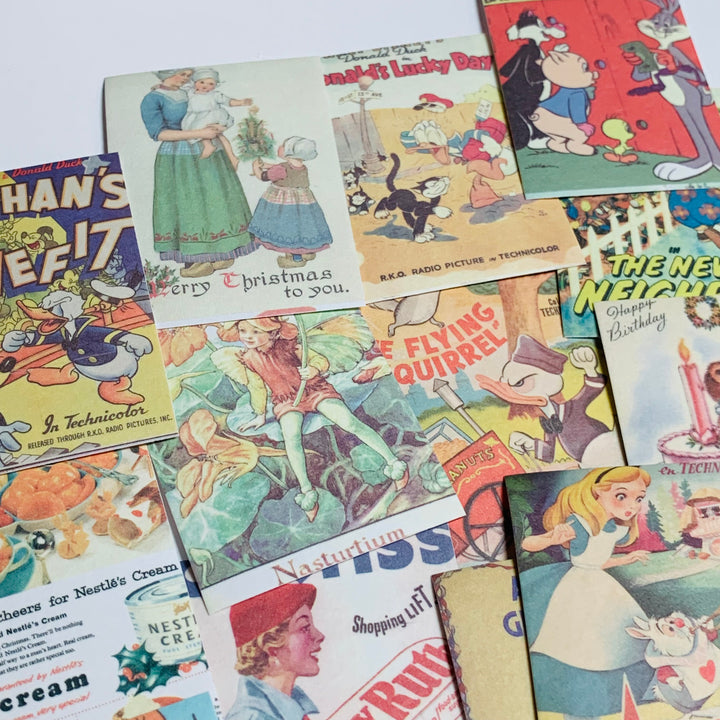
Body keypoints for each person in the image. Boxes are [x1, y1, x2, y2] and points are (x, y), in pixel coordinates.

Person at [216, 317, 408, 521]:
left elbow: (320, 361)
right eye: (243, 331)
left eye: (256, 332)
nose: (248, 337)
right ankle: (307, 492)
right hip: (287, 400)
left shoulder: (291, 345)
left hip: (315, 389)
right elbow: (257, 387)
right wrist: (260, 415)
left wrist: (314, 369)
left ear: (273, 332)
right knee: (291, 439)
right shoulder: (248, 359)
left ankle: (394, 463)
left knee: (349, 422)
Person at [520, 466, 654, 718]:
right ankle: (577, 701)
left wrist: (627, 559)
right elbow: (528, 543)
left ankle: (624, 695)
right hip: (578, 586)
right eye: (621, 495)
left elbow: (598, 562)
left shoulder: (616, 528)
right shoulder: (580, 524)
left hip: (601, 583)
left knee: (623, 639)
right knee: (579, 641)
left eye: (639, 498)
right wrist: (551, 539)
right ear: (597, 493)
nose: (632, 505)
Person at [140, 68, 257, 279]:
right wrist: (200, 133)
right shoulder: (153, 98)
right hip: (179, 156)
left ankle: (222, 252)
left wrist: (218, 127)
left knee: (216, 198)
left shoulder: (191, 90)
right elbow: (158, 133)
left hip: (210, 150)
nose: (187, 78)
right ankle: (195, 260)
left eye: (188, 75)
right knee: (189, 203)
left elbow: (214, 106)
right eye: (182, 74)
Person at [226, 583, 323, 720]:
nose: (319, 636)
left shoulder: (283, 708)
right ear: (271, 648)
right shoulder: (254, 717)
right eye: (305, 628)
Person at [248, 137, 333, 269]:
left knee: (288, 230)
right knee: (303, 228)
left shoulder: (281, 169)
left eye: (283, 145)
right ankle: (307, 251)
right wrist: (267, 165)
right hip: (303, 203)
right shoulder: (302, 167)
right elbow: (283, 167)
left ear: (290, 152)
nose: (280, 147)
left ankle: (296, 258)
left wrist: (256, 168)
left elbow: (264, 177)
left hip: (283, 204)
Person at [180, 67, 252, 168]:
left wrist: (241, 102)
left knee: (204, 130)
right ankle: (232, 157)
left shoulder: (215, 95)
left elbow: (228, 101)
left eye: (211, 84)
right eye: (202, 82)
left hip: (211, 116)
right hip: (195, 116)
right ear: (195, 82)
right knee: (219, 136)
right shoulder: (190, 92)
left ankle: (209, 146)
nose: (205, 86)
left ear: (215, 86)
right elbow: (178, 89)